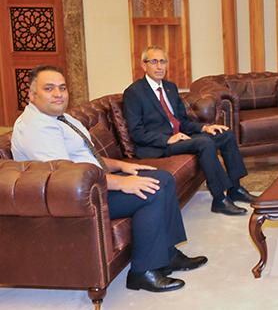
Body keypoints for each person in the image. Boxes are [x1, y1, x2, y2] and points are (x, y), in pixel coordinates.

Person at [11, 65, 207, 293]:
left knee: (163, 178)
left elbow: (87, 155)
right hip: (75, 201)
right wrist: (120, 182)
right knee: (151, 192)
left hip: (92, 184)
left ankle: (167, 254)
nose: (58, 94)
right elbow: (66, 176)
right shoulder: (35, 128)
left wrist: (122, 166)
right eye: (49, 88)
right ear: (32, 94)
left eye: (62, 88)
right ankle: (143, 272)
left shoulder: (61, 118)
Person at [123, 46, 256, 216]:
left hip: (180, 137)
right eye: (154, 62)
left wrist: (205, 127)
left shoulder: (170, 88)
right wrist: (167, 139)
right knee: (204, 143)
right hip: (159, 145)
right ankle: (219, 199)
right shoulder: (134, 93)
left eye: (163, 61)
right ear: (144, 65)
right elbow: (136, 132)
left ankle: (235, 188)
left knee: (225, 134)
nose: (159, 66)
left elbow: (182, 121)